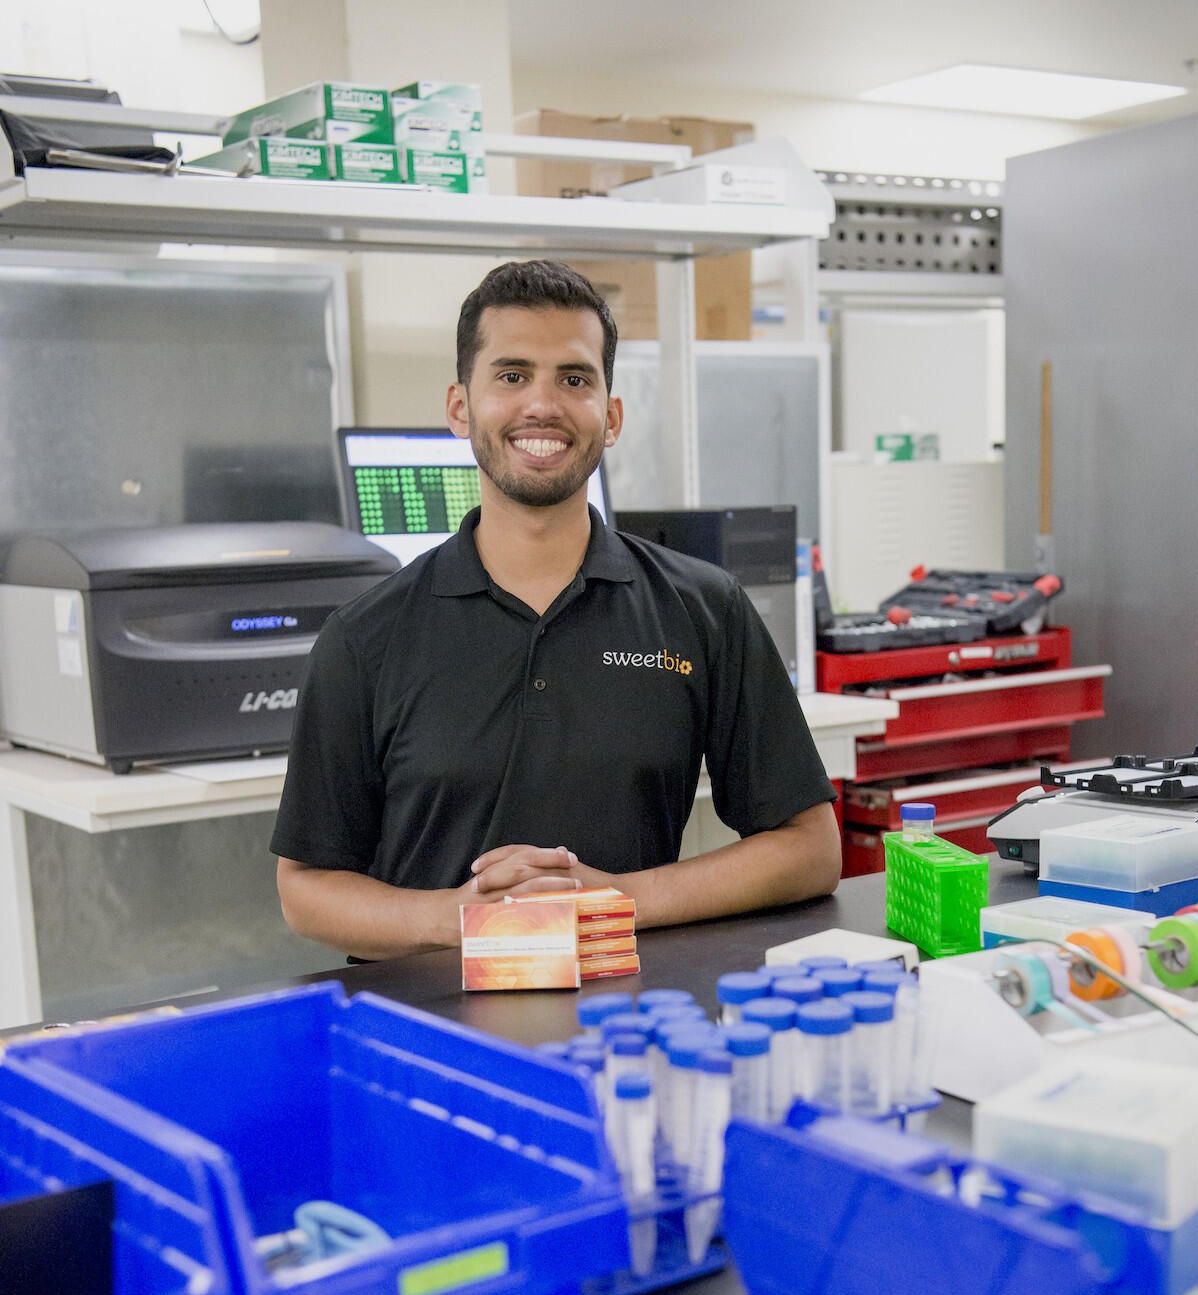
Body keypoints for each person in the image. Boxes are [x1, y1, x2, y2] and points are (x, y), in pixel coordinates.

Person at [272, 258, 840, 959]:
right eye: (511, 377)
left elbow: (811, 848)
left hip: (628, 1019)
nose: (542, 405)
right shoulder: (365, 638)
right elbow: (305, 887)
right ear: (459, 407)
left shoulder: (703, 610)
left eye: (574, 379)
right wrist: (460, 918)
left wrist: (615, 902)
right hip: (432, 1026)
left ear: (612, 415)